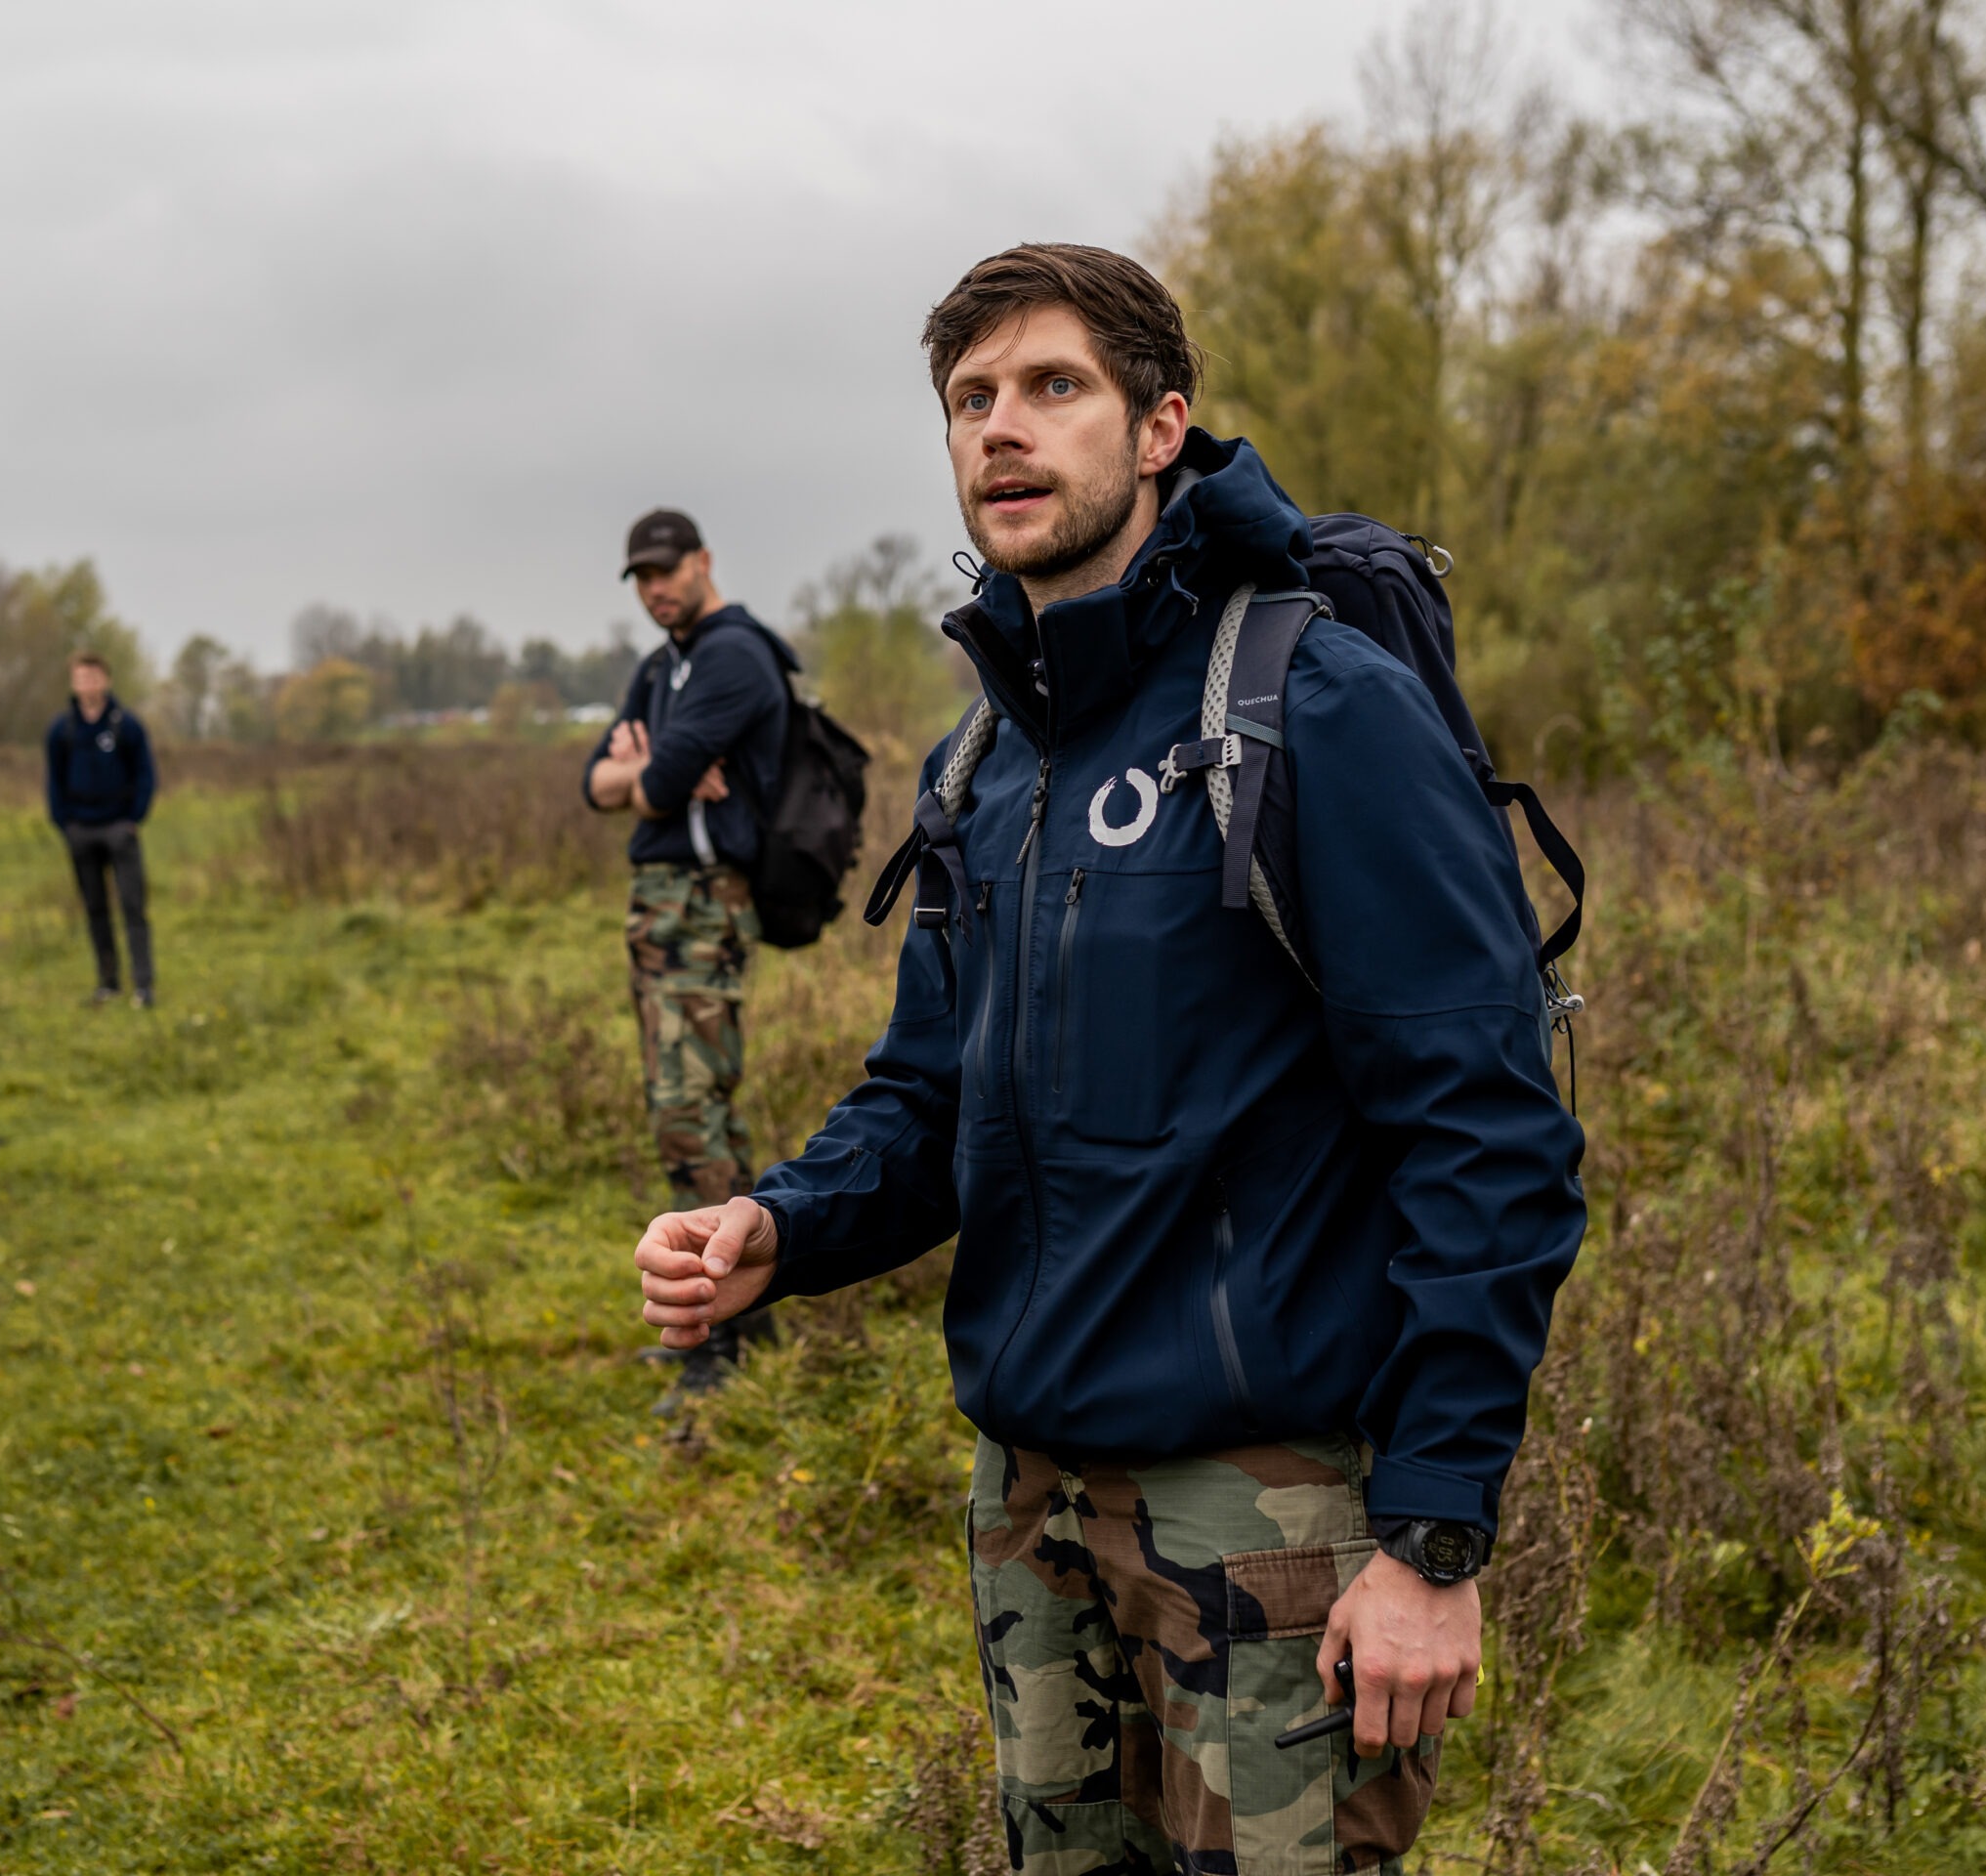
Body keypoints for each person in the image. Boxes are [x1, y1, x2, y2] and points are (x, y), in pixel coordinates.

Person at [631, 244, 1586, 1873]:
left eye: (1053, 386)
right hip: (1030, 1504)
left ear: (1159, 428)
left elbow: (1487, 1133)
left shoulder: (1315, 707)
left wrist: (1433, 1539)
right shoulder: (987, 755)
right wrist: (781, 1227)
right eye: (970, 399)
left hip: (1267, 1521)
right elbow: (931, 1090)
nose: (1001, 428)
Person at [581, 509, 795, 1405]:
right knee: (702, 1108)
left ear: (703, 562)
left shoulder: (732, 656)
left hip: (704, 904)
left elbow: (658, 783)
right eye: (640, 576)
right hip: (662, 907)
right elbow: (595, 784)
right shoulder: (658, 667)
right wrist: (643, 777)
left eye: (666, 570)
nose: (653, 588)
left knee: (687, 1112)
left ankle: (717, 1337)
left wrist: (650, 775)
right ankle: (752, 1311)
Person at [43, 651, 156, 1008]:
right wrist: (65, 824)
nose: (87, 684)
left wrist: (132, 819)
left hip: (119, 828)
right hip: (81, 830)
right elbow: (54, 780)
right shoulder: (62, 730)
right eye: (81, 678)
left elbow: (146, 775)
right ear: (73, 683)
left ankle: (143, 986)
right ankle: (108, 983)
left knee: (133, 906)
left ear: (105, 680)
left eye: (93, 677)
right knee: (95, 909)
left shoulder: (127, 726)